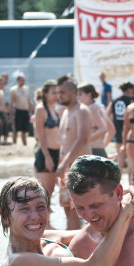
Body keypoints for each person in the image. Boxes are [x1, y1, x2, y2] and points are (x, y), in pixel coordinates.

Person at [56, 78, 91, 229]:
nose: (59, 96)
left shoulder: (82, 110)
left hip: (79, 167)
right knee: (66, 206)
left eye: (62, 92)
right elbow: (64, 141)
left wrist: (65, 162)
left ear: (73, 92)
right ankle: (72, 243)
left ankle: (82, 244)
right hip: (66, 167)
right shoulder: (66, 111)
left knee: (79, 208)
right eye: (58, 92)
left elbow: (83, 139)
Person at [33, 79, 61, 198]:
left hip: (57, 152)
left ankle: (47, 215)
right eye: (53, 93)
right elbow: (40, 135)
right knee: (45, 193)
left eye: (57, 92)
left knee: (52, 190)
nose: (56, 95)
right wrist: (47, 156)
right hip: (46, 152)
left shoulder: (54, 109)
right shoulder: (40, 109)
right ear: (45, 94)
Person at [77, 82, 115, 157]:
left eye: (80, 94)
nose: (78, 97)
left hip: (92, 151)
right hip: (99, 150)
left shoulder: (91, 108)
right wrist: (103, 145)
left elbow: (103, 128)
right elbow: (112, 130)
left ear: (89, 95)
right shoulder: (100, 107)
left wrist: (85, 141)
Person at [108, 81, 134, 172]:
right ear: (129, 89)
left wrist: (112, 122)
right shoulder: (131, 101)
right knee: (131, 161)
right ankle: (130, 182)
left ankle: (117, 181)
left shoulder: (115, 100)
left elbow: (107, 114)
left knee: (120, 159)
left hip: (118, 130)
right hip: (129, 131)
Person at [10, 73, 33, 146]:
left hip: (25, 111)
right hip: (17, 111)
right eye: (22, 80)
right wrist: (12, 115)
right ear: (18, 80)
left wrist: (31, 111)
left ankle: (24, 144)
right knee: (15, 130)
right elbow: (11, 102)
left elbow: (28, 100)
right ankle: (14, 144)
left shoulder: (27, 88)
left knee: (24, 130)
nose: (24, 81)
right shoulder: (13, 89)